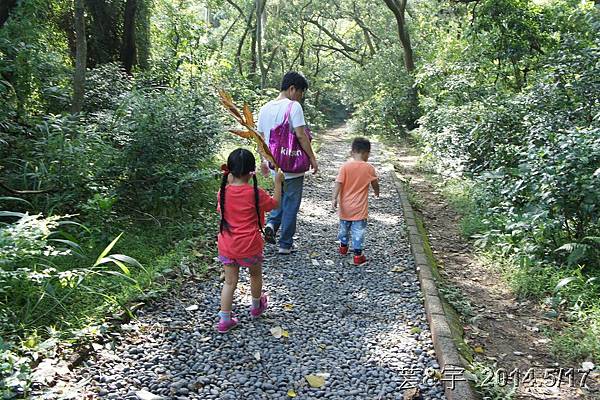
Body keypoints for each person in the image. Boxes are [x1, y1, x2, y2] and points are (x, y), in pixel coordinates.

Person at [216, 148, 284, 333]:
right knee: (254, 274)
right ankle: (256, 307)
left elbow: (222, 212)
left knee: (229, 282)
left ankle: (224, 320)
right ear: (251, 171)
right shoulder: (256, 193)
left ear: (230, 171)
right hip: (250, 245)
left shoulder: (223, 192)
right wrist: (278, 182)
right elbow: (275, 204)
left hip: (227, 245)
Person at [257, 71, 318, 255]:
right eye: (300, 93)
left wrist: (263, 161)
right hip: (292, 165)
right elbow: (300, 135)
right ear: (292, 89)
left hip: (274, 165)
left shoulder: (264, 108)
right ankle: (285, 243)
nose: (300, 97)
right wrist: (313, 158)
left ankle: (271, 225)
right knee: (291, 202)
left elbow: (260, 139)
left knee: (278, 197)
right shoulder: (294, 107)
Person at [332, 137, 380, 265]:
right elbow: (375, 183)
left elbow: (338, 183)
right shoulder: (369, 168)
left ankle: (343, 247)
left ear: (352, 152)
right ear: (366, 153)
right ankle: (358, 256)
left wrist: (334, 198)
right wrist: (376, 192)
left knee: (344, 228)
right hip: (360, 208)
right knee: (358, 231)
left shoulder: (345, 167)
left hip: (345, 207)